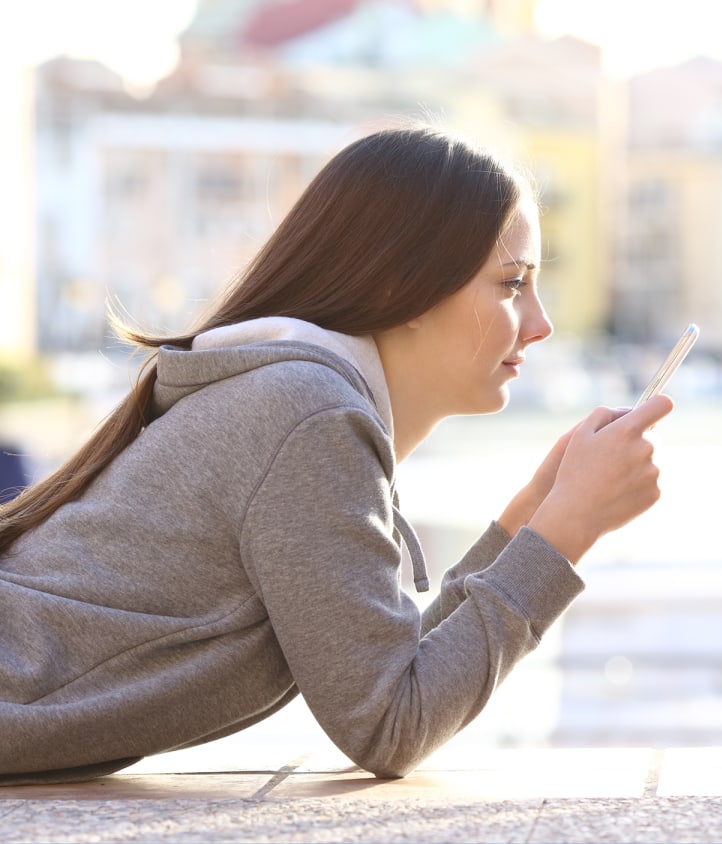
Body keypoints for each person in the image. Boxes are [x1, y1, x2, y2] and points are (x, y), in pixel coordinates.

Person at [0, 124, 674, 785]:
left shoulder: (292, 395)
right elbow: (390, 723)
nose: (541, 323)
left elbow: (389, 671)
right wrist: (567, 530)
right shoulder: (308, 413)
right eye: (511, 284)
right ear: (402, 286)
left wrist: (529, 520)